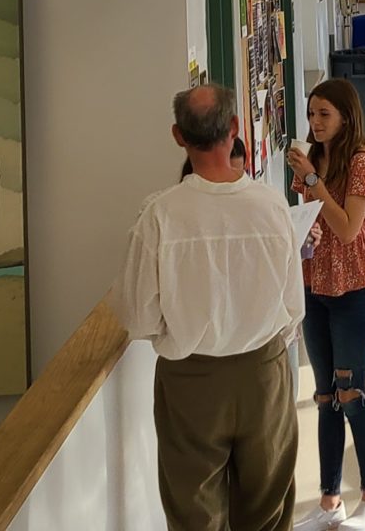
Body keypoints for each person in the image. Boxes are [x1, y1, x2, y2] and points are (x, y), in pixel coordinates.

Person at [117, 85, 304, 531]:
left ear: (178, 136)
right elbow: (293, 308)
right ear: (235, 130)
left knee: (193, 508)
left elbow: (138, 317)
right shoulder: (271, 207)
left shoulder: (160, 216)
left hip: (191, 380)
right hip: (263, 372)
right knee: (267, 504)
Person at [287, 81, 365, 531]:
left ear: (346, 116)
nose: (315, 122)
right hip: (315, 285)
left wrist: (313, 181)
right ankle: (330, 500)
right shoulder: (315, 160)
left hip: (356, 289)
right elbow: (314, 219)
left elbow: (348, 228)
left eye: (324, 114)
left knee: (352, 393)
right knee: (326, 396)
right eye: (311, 114)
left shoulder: (361, 163)